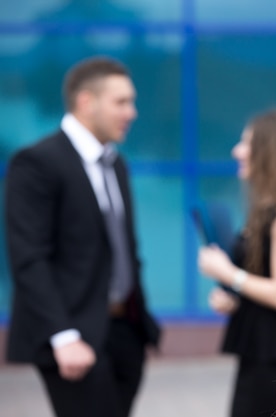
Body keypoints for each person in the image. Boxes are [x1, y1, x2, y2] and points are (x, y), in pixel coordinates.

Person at [4, 56, 161, 417]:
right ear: (86, 102)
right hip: (74, 336)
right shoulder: (36, 162)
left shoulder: (116, 164)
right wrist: (64, 336)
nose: (132, 112)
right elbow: (29, 258)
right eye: (121, 102)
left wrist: (141, 325)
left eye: (132, 101)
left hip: (125, 334)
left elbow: (123, 249)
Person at [198, 108, 276, 417]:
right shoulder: (267, 211)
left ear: (270, 152)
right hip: (263, 350)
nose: (237, 151)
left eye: (247, 143)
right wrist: (237, 301)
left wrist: (229, 275)